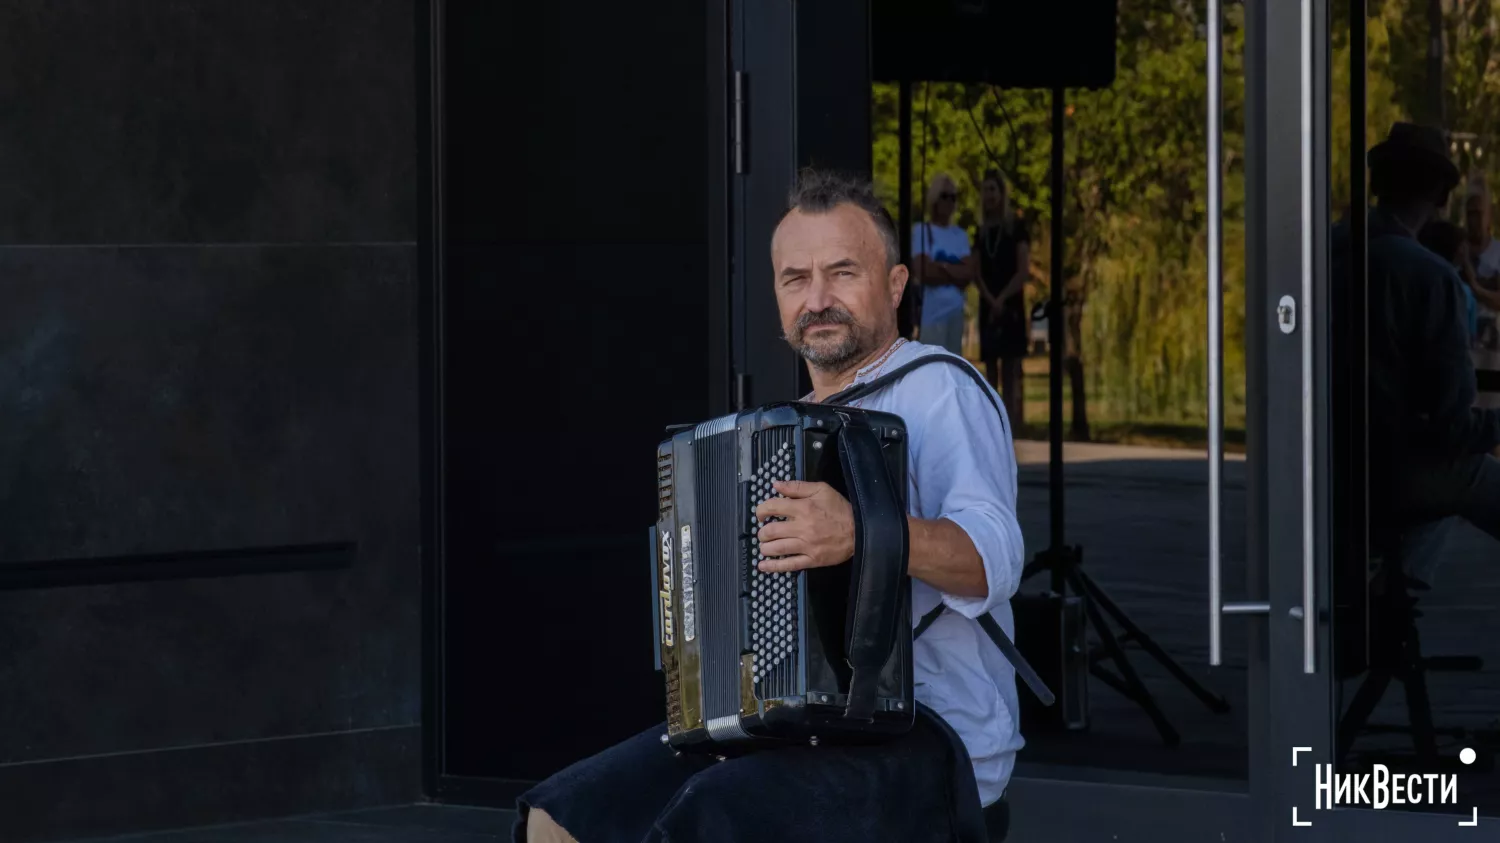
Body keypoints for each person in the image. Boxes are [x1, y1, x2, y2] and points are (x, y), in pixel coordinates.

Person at [514, 170, 1026, 843]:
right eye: (796, 279)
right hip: (791, 721)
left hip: (932, 735)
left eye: (843, 272)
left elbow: (996, 560)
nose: (818, 298)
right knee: (560, 815)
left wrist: (862, 532)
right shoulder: (782, 432)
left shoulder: (940, 391)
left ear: (897, 285)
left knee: (707, 816)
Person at [1349, 123, 1500, 550]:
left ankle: (1394, 594)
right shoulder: (1431, 278)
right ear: (1440, 196)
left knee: (1439, 497)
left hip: (1338, 457)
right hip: (1397, 463)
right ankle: (1398, 596)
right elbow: (1451, 425)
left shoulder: (1334, 249)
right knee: (1463, 477)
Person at [975, 170, 1031, 424]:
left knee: (1011, 368)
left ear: (1001, 193)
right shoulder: (981, 232)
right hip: (988, 304)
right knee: (991, 370)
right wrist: (989, 298)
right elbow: (975, 271)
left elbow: (1022, 270)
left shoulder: (1016, 229)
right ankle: (991, 424)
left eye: (993, 190)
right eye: (985, 190)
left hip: (1011, 306)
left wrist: (1003, 298)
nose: (989, 195)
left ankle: (1011, 423)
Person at [912, 173, 976, 355]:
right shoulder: (922, 231)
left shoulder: (960, 235)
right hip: (931, 317)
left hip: (956, 314)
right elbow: (924, 272)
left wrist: (942, 266)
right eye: (944, 196)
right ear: (934, 198)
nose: (949, 202)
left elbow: (968, 274)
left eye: (953, 198)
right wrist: (955, 271)